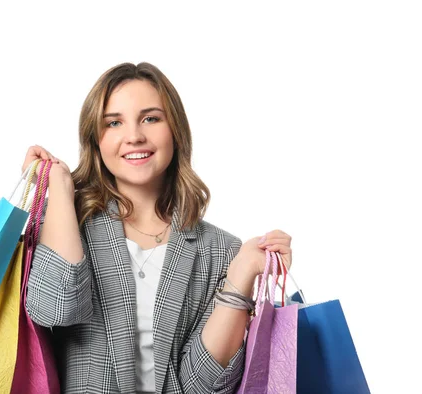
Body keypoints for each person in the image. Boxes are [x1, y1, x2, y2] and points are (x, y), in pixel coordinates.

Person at [21, 62, 293, 394]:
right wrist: (61, 191)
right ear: (96, 138)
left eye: (151, 118)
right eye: (114, 122)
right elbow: (56, 308)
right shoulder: (68, 228)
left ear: (175, 130)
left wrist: (242, 276)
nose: (134, 136)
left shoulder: (220, 249)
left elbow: (203, 387)